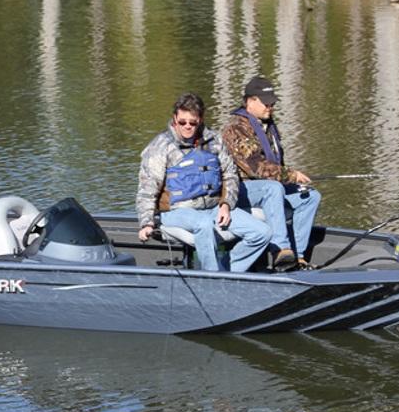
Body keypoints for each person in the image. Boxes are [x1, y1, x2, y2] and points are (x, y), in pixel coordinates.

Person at [136, 92, 273, 273]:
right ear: (175, 118)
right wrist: (146, 223)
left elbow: (230, 175)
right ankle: (211, 276)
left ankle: (228, 271)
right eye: (182, 122)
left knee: (262, 233)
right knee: (203, 225)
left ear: (200, 120)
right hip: (176, 211)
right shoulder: (160, 147)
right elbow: (146, 190)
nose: (187, 127)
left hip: (213, 208)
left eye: (192, 123)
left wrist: (226, 204)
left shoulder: (214, 141)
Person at [221, 77, 321, 267]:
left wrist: (293, 181)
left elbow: (275, 165)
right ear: (250, 101)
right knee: (273, 189)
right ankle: (280, 249)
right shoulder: (236, 130)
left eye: (272, 102)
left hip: (268, 186)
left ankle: (297, 255)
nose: (270, 106)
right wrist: (291, 175)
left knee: (310, 196)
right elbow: (257, 168)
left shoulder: (267, 126)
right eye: (266, 102)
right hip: (240, 190)